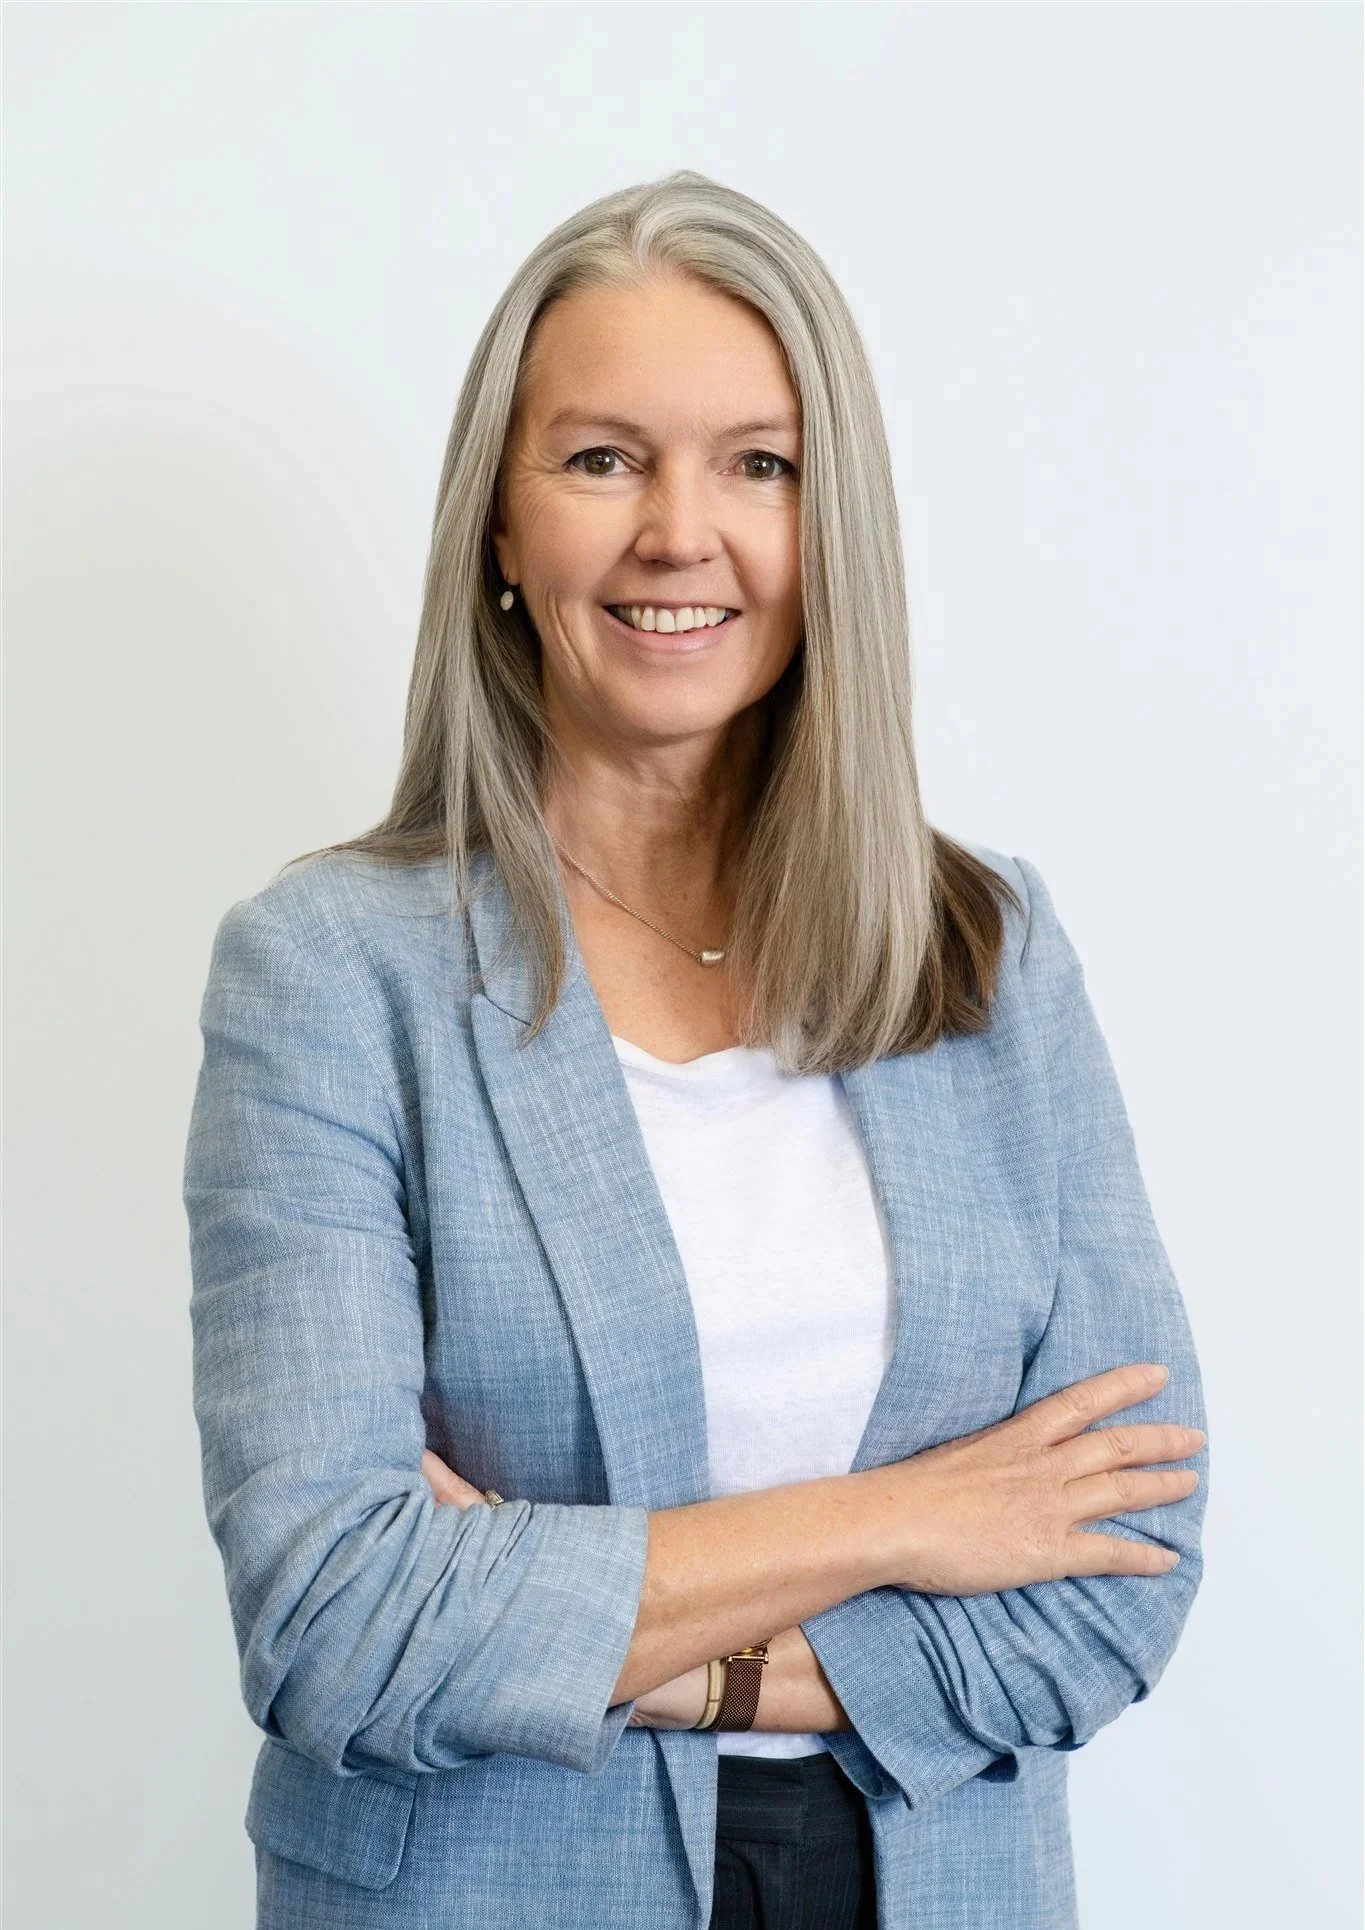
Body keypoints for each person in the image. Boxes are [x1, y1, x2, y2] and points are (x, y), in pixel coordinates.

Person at [183, 169, 1208, 1930]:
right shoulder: (331, 974)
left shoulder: (990, 954)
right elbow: (339, 1615)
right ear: (499, 530)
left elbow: (1123, 1567)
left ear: (834, 529)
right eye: (601, 459)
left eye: (759, 463)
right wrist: (911, 1515)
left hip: (935, 1880)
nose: (681, 531)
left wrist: (613, 1641)